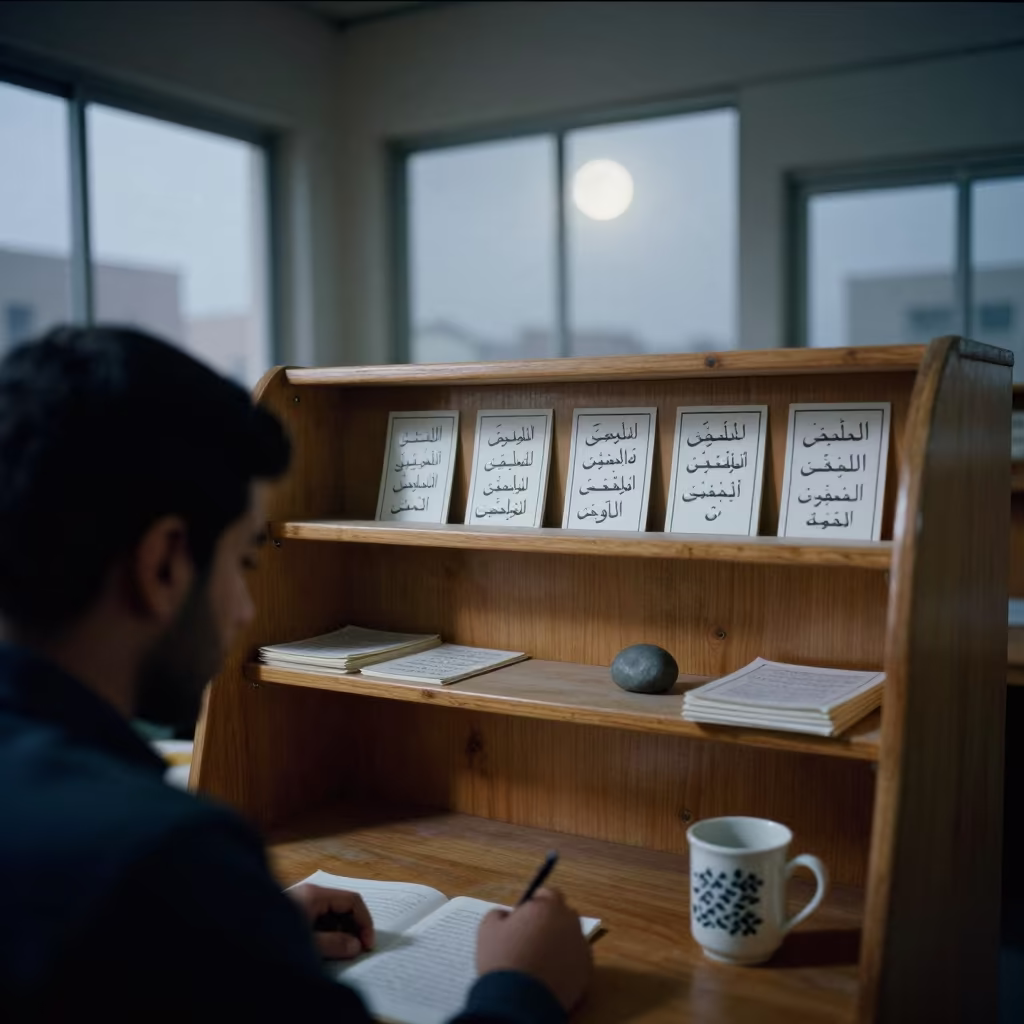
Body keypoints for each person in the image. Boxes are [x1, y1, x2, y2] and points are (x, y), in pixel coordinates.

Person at [0, 326, 592, 1020]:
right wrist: (524, 987)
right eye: (244, 560)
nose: (248, 607)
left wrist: (244, 937)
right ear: (164, 565)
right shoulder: (163, 862)